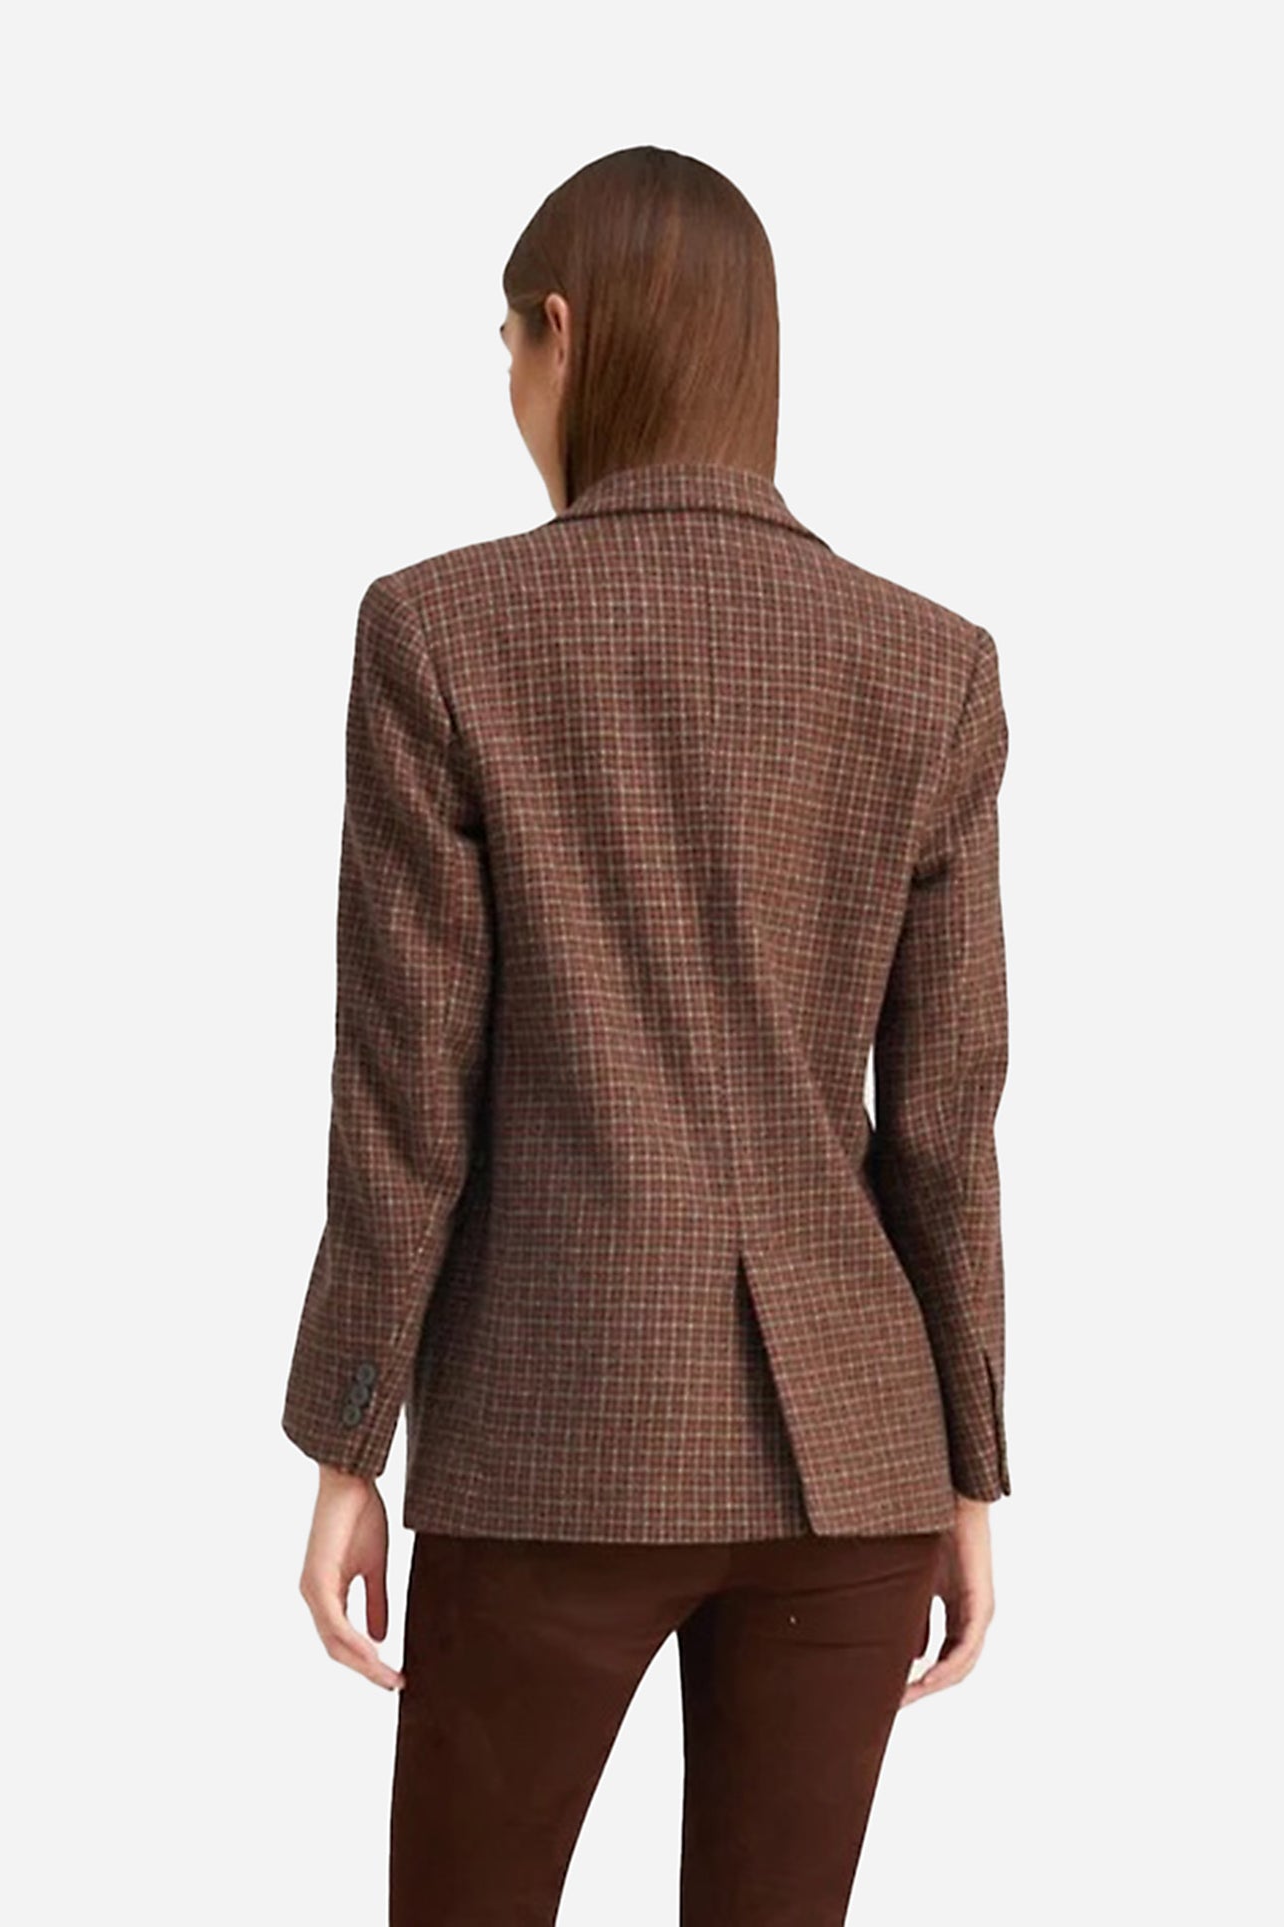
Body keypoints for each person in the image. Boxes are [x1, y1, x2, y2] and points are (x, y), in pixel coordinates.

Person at [281, 144, 1012, 1926]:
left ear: (563, 331)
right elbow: (942, 1122)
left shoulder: (439, 632)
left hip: (551, 1443)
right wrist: (964, 1470)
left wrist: (348, 1443)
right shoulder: (930, 662)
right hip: (853, 1456)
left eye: (507, 351)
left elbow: (404, 1105)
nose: (514, 394)